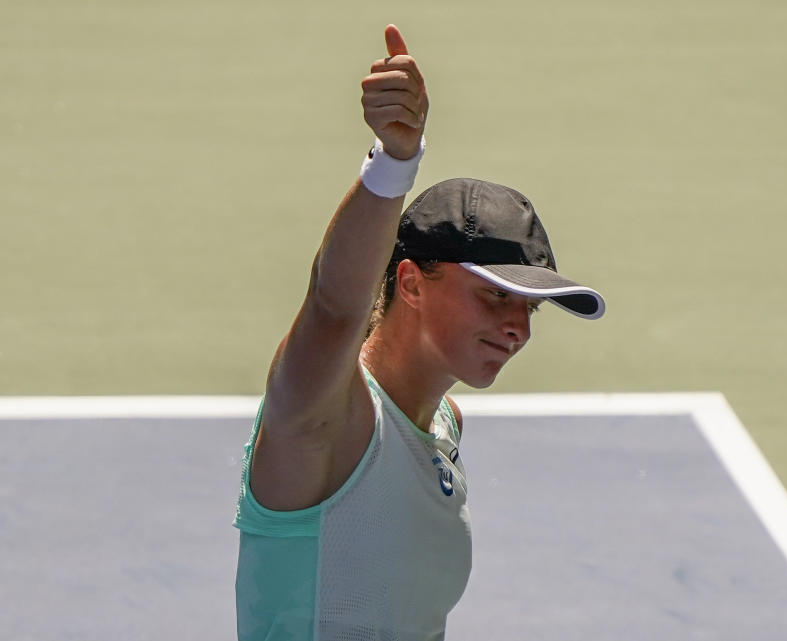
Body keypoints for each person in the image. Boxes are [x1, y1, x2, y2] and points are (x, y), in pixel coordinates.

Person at [233, 24, 605, 641]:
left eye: (529, 308)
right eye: (495, 295)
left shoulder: (443, 426)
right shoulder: (321, 417)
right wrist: (394, 164)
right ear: (409, 283)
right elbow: (332, 308)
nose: (516, 328)